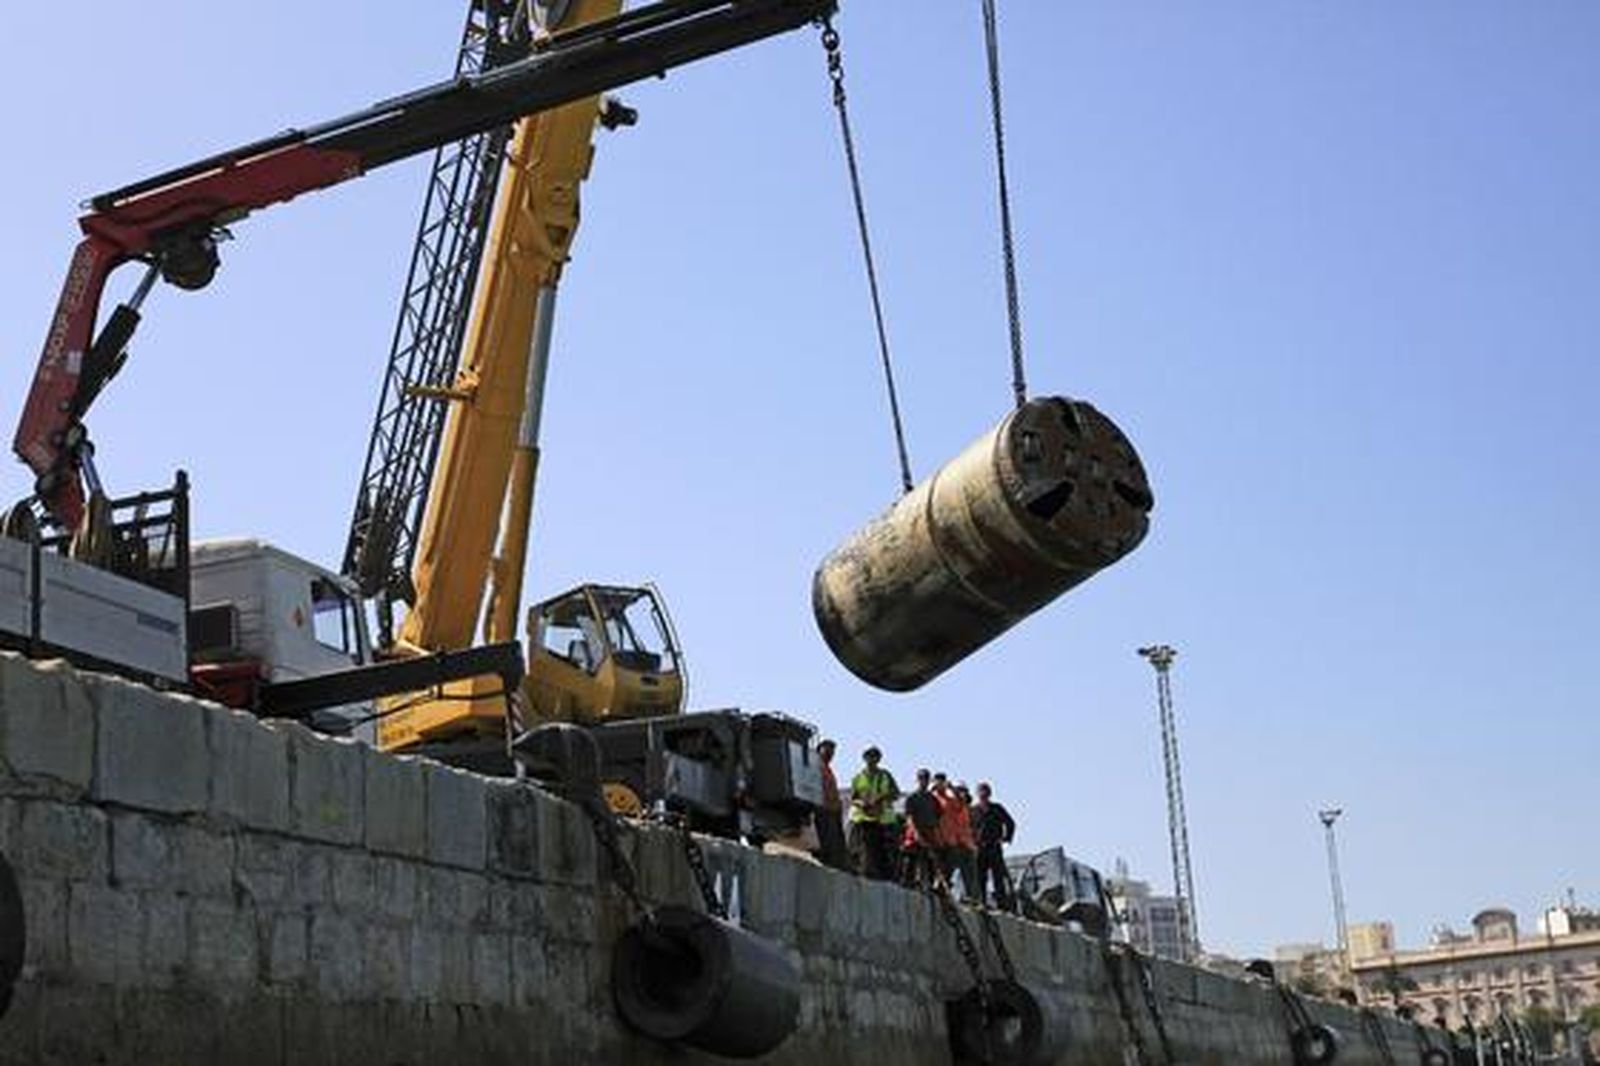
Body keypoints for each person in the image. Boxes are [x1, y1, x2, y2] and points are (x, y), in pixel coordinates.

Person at [848, 746, 899, 881]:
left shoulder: (885, 775)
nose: (872, 759)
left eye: (875, 756)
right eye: (869, 756)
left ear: (879, 759)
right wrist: (862, 804)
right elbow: (853, 798)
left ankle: (884, 877)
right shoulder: (858, 778)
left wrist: (881, 799)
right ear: (864, 758)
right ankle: (860, 872)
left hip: (883, 821)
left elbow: (895, 794)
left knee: (884, 853)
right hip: (862, 818)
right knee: (858, 848)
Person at [970, 780, 1016, 909]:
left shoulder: (997, 808)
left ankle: (1002, 905)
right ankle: (982, 903)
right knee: (980, 878)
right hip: (979, 848)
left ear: (989, 793)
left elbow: (1010, 823)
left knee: (998, 878)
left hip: (994, 847)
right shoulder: (973, 810)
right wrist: (972, 842)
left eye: (985, 791)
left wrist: (1006, 838)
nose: (983, 794)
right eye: (981, 791)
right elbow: (968, 827)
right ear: (977, 794)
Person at [932, 773, 977, 901]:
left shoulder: (956, 802)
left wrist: (953, 789)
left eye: (963, 791)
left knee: (966, 873)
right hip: (943, 840)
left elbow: (964, 801)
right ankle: (942, 890)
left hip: (960, 842)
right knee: (946, 869)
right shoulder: (934, 798)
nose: (962, 793)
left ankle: (970, 896)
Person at [812, 739, 850, 870]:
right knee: (827, 839)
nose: (830, 753)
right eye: (827, 750)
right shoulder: (815, 765)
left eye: (832, 751)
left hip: (832, 810)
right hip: (822, 808)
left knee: (836, 841)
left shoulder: (828, 769)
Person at [900, 768, 943, 888]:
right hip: (914, 834)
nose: (923, 781)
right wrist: (916, 833)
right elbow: (909, 817)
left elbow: (938, 817)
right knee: (911, 859)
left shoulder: (933, 799)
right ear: (917, 780)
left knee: (930, 861)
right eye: (921, 778)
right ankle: (908, 883)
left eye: (926, 779)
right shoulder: (912, 798)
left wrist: (936, 834)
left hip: (929, 834)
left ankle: (928, 885)